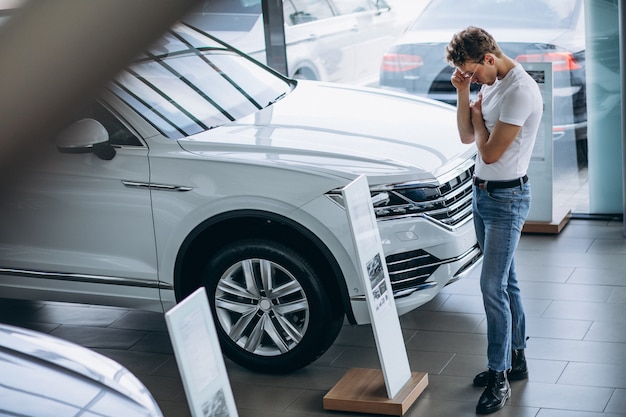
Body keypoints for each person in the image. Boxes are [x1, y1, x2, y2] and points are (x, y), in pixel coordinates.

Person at [445, 26, 543, 414]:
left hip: (507, 199)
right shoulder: (490, 83)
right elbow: (468, 137)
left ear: (488, 57)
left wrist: (479, 120)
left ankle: (498, 374)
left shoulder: (518, 90)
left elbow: (488, 152)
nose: (473, 79)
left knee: (491, 287)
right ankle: (516, 359)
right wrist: (462, 92)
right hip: (482, 195)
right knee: (507, 282)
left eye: (473, 72)